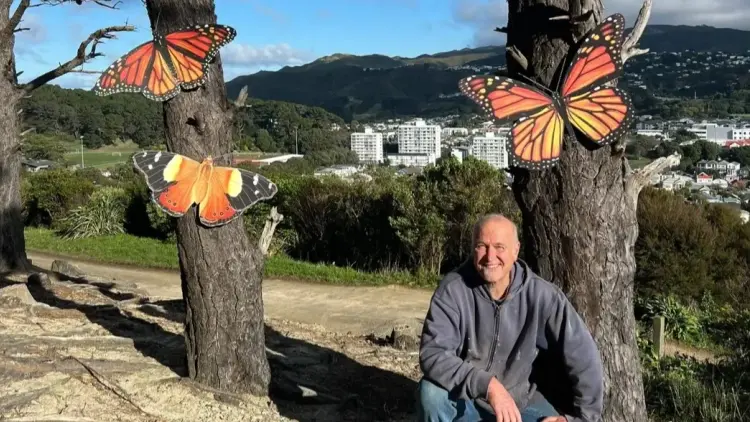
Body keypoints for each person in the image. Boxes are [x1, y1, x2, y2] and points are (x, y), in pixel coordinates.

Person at [416, 214, 604, 422]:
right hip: (468, 400)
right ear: (473, 248)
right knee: (432, 393)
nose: (490, 256)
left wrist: (577, 420)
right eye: (482, 246)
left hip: (524, 404)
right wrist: (488, 386)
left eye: (499, 247)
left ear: (516, 251)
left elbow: (584, 358)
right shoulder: (453, 290)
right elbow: (433, 353)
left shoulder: (543, 296)